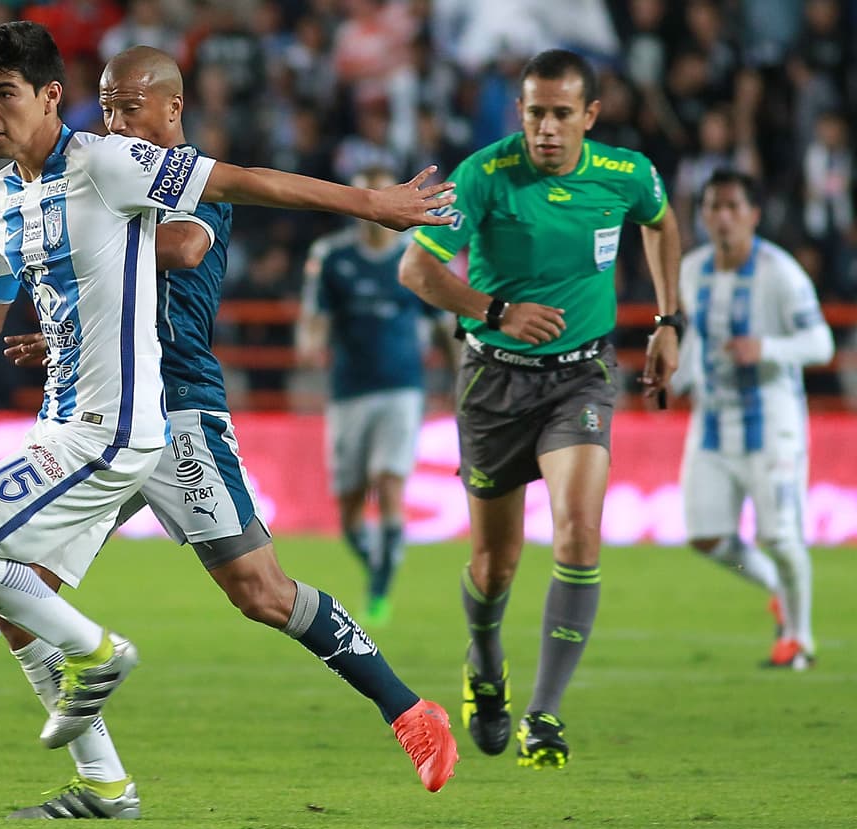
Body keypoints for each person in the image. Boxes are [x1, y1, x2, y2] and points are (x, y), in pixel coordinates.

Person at [0, 22, 460, 801]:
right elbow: (2, 305)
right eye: (107, 108)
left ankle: (410, 709)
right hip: (95, 411)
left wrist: (370, 205)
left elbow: (185, 246)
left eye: (129, 108)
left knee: (260, 591)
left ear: (171, 109)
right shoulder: (36, 188)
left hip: (178, 409)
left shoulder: (155, 177)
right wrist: (67, 314)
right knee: (10, 586)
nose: (116, 123)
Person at [396, 49, 682, 770]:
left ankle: (545, 714)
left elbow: (662, 222)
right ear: (519, 112)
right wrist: (496, 310)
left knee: (579, 534)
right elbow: (417, 268)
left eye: (561, 114)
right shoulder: (483, 175)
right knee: (495, 565)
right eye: (534, 113)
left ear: (590, 114)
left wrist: (668, 321)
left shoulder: (625, 174)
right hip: (494, 383)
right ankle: (484, 660)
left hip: (581, 378)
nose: (546, 128)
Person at [673, 168, 834, 670]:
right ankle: (776, 591)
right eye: (713, 207)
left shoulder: (781, 272)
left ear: (753, 215)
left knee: (782, 538)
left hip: (773, 425)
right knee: (706, 538)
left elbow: (821, 343)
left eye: (732, 207)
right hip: (712, 424)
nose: (722, 217)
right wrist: (676, 376)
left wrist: (766, 348)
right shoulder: (692, 269)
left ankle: (799, 641)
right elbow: (697, 335)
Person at [296, 165, 436, 627]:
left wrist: (461, 377)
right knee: (350, 508)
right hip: (349, 390)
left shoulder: (416, 255)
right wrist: (310, 343)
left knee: (389, 481)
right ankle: (379, 563)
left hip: (402, 386)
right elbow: (316, 314)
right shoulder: (332, 256)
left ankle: (380, 588)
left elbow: (443, 319)